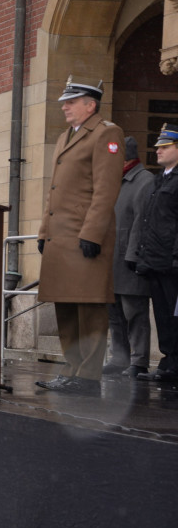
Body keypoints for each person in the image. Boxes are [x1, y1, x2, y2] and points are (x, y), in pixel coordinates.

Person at [35, 78, 124, 393]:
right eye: (64, 101)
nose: (64, 106)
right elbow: (54, 190)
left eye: (71, 102)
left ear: (91, 104)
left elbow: (106, 188)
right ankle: (72, 370)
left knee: (89, 308)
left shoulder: (106, 134)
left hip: (85, 237)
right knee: (66, 307)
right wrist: (44, 230)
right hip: (61, 238)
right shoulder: (65, 137)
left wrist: (93, 233)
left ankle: (87, 377)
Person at [131, 124, 178, 383]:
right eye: (158, 147)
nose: (158, 151)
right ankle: (168, 362)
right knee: (162, 314)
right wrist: (142, 255)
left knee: (174, 314)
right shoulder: (160, 179)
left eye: (165, 147)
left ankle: (174, 364)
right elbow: (149, 221)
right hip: (156, 260)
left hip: (172, 262)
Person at [106, 136, 155, 377]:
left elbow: (141, 222)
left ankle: (139, 360)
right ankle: (119, 358)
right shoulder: (116, 180)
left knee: (134, 312)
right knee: (114, 314)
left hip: (129, 260)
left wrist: (133, 254)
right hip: (110, 260)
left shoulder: (144, 181)